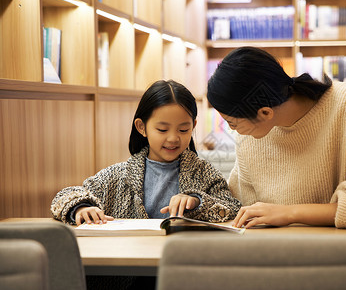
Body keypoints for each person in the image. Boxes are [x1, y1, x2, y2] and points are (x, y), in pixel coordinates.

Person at [207, 46, 346, 230]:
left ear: (265, 113)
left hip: (345, 257)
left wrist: (289, 214)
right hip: (276, 257)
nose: (230, 129)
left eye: (232, 122)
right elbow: (236, 203)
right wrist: (195, 200)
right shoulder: (250, 138)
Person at [51, 80, 241, 226]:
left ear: (193, 127)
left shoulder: (204, 173)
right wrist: (81, 208)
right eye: (162, 130)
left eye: (183, 130)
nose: (173, 138)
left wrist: (197, 202)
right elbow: (66, 196)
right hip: (127, 269)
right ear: (141, 127)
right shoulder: (119, 175)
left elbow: (232, 208)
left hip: (182, 263)